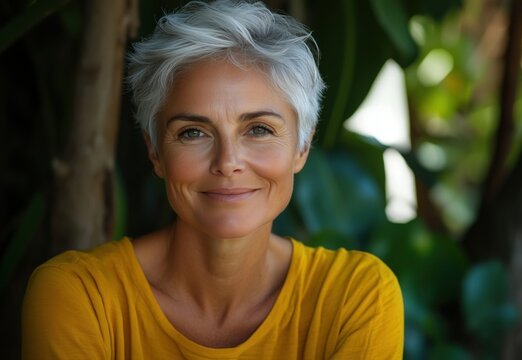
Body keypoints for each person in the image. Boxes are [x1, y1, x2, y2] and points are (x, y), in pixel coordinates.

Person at [21, 1, 404, 358]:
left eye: (258, 129)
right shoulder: (80, 297)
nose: (228, 162)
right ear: (155, 151)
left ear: (302, 147)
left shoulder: (356, 296)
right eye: (193, 132)